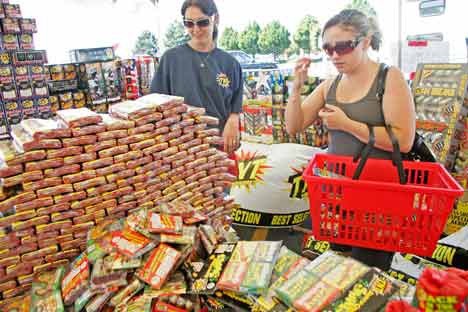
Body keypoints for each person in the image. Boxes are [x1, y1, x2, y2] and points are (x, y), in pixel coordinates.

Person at [285, 9, 416, 270]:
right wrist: (296, 88)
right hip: (336, 198)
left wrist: (347, 124)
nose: (334, 55)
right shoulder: (329, 85)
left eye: (343, 46)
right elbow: (294, 126)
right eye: (328, 48)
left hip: (379, 201)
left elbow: (403, 140)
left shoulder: (389, 78)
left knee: (367, 273)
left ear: (365, 42)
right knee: (336, 272)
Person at [150, 0, 242, 154]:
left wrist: (234, 120)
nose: (196, 29)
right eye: (189, 24)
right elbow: (155, 105)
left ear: (216, 19)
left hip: (220, 148)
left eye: (203, 22)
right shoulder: (171, 59)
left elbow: (235, 105)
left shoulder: (230, 63)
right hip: (182, 152)